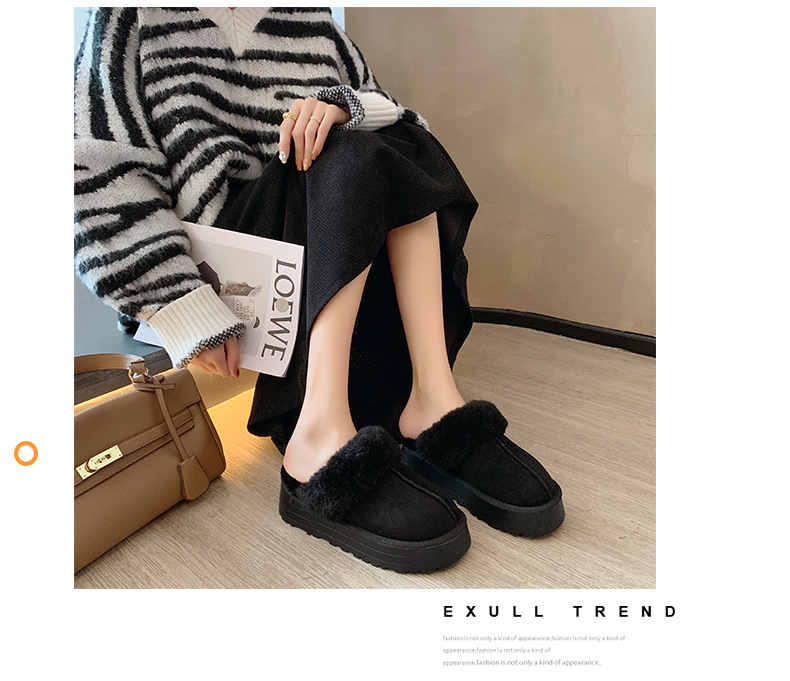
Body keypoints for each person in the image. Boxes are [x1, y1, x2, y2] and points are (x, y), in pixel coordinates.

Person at [74, 7, 564, 574]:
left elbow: (401, 125)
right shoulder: (130, 19)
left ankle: (433, 399)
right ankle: (317, 434)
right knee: (347, 153)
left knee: (393, 142)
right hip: (226, 266)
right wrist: (181, 304)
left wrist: (343, 106)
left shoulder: (308, 18)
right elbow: (92, 174)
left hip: (323, 241)